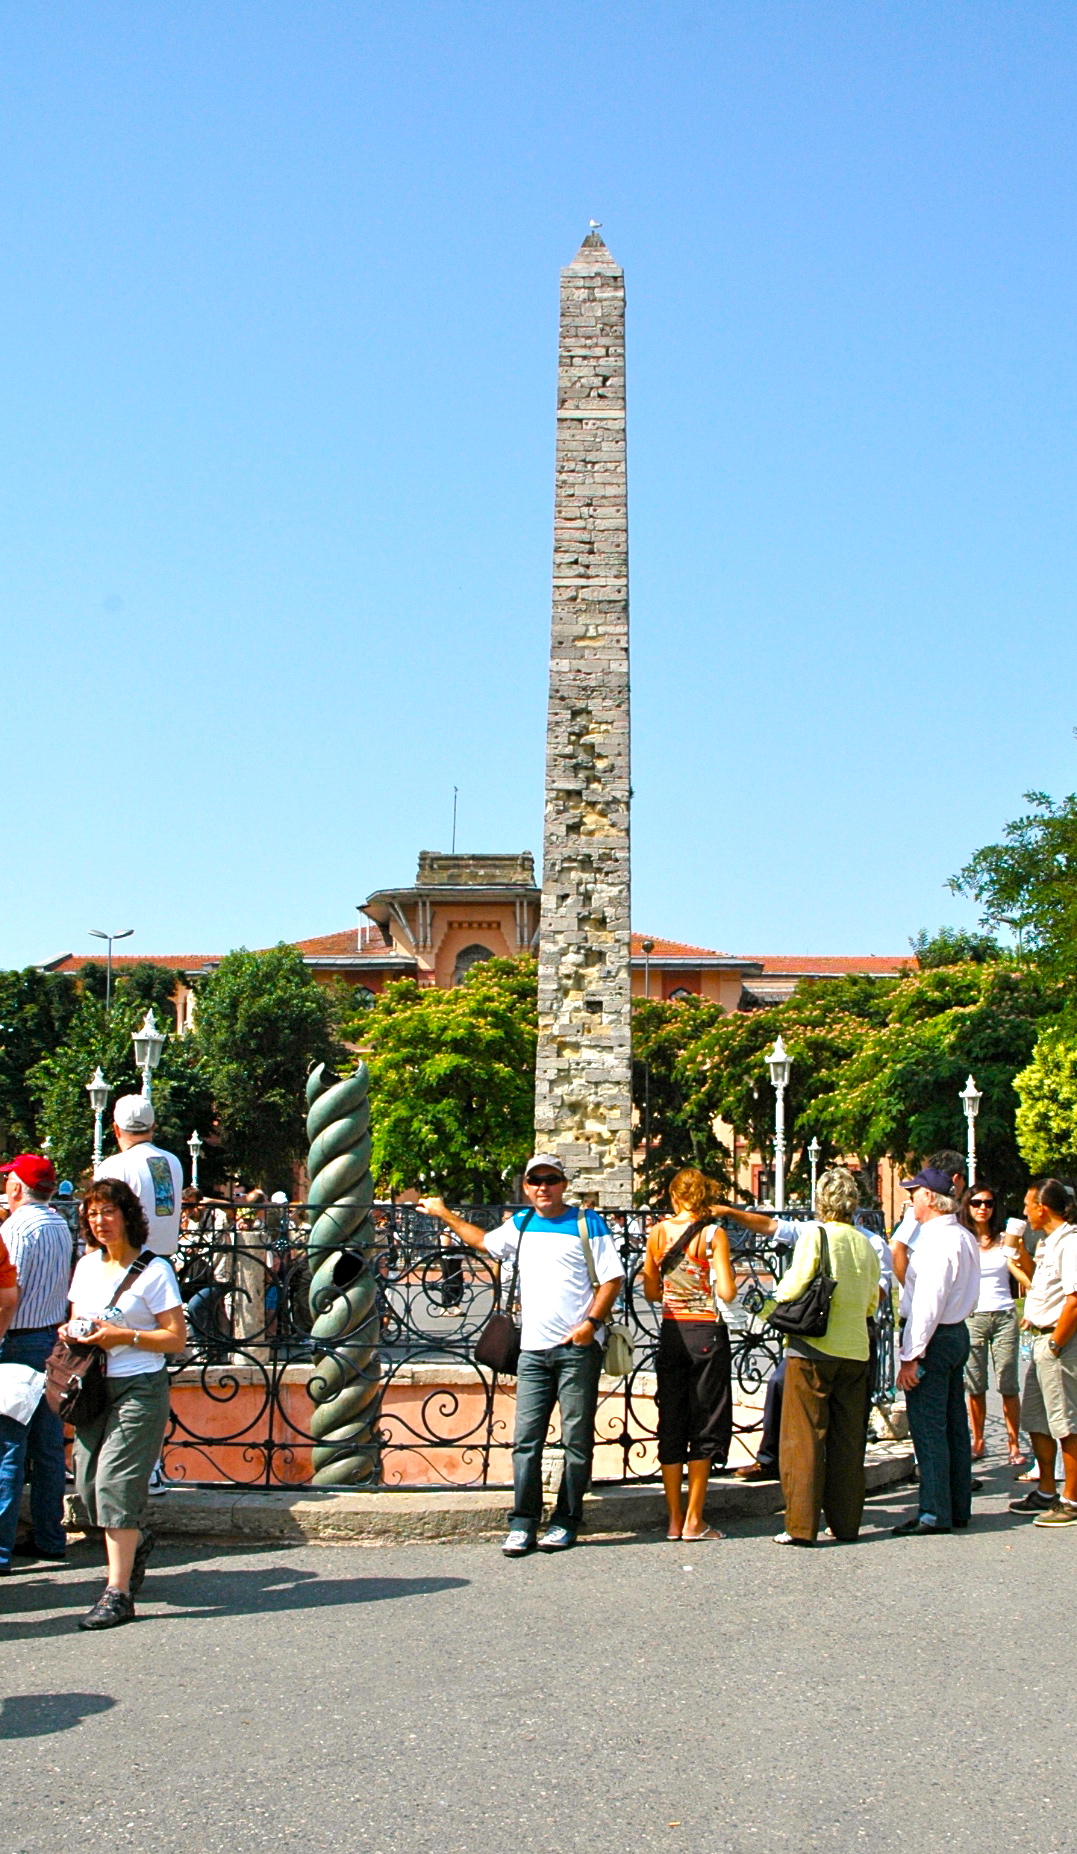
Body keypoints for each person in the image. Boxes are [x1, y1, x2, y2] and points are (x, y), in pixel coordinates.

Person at [418, 1155, 624, 1555]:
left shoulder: (587, 1223)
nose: (543, 1187)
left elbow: (612, 1278)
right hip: (532, 1351)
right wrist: (444, 1213)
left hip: (577, 1350)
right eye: (535, 1181)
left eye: (551, 1180)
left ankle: (566, 1519)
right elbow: (483, 1242)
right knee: (526, 1440)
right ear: (527, 1187)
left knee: (576, 1440)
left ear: (564, 1184)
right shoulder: (522, 1224)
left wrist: (591, 1325)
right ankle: (524, 1520)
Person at [61, 1178, 186, 1628]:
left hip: (138, 1386)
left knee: (117, 1484)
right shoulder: (87, 1266)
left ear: (128, 1216)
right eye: (93, 1214)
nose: (100, 1222)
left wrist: (123, 1336)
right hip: (92, 1387)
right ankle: (138, 1538)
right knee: (89, 1485)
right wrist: (72, 1331)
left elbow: (175, 1338)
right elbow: (76, 1319)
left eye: (108, 1212)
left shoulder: (155, 1271)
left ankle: (117, 1593)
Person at [763, 1168, 880, 1546]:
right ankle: (846, 1523)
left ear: (821, 1201)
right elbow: (872, 1301)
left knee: (804, 1438)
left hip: (814, 1348)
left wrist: (769, 1305)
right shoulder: (865, 1243)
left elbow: (795, 1285)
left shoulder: (816, 1235)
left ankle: (800, 1525)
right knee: (848, 1441)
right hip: (856, 1350)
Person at [642, 1168, 736, 1541]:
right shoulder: (715, 1234)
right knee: (705, 1422)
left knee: (673, 1420)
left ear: (673, 1195)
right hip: (707, 1333)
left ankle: (673, 1519)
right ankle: (696, 1520)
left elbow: (651, 1290)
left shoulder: (658, 1233)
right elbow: (726, 1292)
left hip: (672, 1331)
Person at [893, 1164, 980, 1536]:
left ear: (929, 1197)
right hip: (956, 1332)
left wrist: (910, 1356)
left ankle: (933, 1510)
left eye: (914, 1193)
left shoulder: (936, 1242)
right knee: (953, 1425)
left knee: (929, 1428)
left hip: (934, 1337)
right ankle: (957, 1505)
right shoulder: (962, 1236)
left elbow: (927, 1305)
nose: (910, 1199)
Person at [0, 1153, 74, 1573]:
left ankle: (1, 1550)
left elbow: (9, 1295)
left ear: (16, 1188)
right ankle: (50, 1535)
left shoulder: (16, 1229)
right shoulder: (58, 1224)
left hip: (17, 1341)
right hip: (49, 1339)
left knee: (8, 1449)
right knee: (46, 1449)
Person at [1008, 1178, 1077, 1527]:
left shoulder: (1071, 1243)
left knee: (1066, 1423)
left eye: (1027, 1204)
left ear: (1042, 1208)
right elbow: (1041, 1284)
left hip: (1057, 1344)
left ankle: (1072, 1499)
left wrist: (1054, 1343)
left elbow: (1075, 1300)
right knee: (1038, 1420)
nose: (1023, 1211)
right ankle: (1048, 1489)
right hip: (1040, 1340)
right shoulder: (1050, 1243)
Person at [960, 1184, 1028, 1466]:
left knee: (1008, 1381)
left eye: (988, 1203)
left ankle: (1014, 1443)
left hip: (1003, 1314)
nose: (982, 1208)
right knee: (975, 1383)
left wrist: (1019, 1252)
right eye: (976, 1203)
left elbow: (1024, 1273)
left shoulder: (1005, 1240)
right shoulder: (963, 1240)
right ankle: (978, 1440)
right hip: (973, 1316)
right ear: (967, 1206)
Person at [97, 1096, 184, 1256]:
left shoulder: (114, 1165)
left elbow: (101, 1218)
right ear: (153, 1127)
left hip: (127, 1263)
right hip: (164, 1264)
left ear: (116, 1129)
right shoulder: (173, 1162)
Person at [892, 1149, 966, 1287]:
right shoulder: (921, 1210)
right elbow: (896, 1249)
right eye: (964, 1178)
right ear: (956, 1178)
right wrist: (911, 1289)